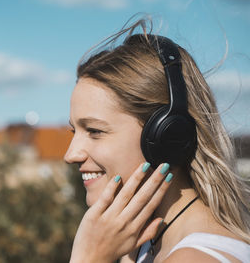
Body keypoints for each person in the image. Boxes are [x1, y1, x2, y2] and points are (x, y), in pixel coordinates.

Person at [64, 17, 250, 262]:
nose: (70, 154)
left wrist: (89, 258)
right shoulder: (140, 244)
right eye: (74, 132)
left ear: (166, 135)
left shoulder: (194, 258)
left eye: (94, 131)